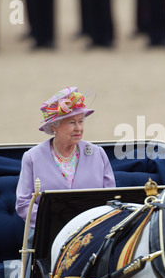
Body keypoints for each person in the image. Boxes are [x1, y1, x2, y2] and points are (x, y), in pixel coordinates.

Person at [16, 86, 116, 228]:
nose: (78, 128)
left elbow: (112, 199)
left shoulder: (97, 153)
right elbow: (23, 204)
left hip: (92, 230)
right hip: (48, 231)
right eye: (71, 122)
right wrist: (54, 222)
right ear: (54, 126)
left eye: (80, 121)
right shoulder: (32, 157)